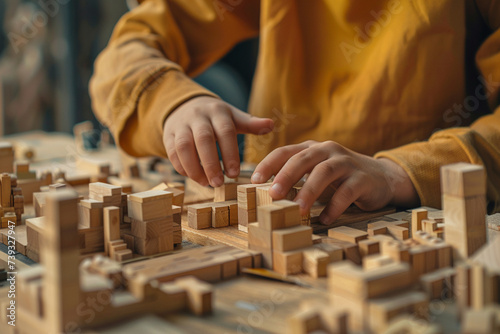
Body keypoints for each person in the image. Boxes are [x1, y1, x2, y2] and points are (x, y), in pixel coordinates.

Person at [90, 0, 500, 225]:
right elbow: (126, 51)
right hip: (276, 209)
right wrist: (171, 101)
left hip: (421, 215)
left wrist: (401, 172)